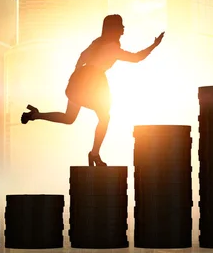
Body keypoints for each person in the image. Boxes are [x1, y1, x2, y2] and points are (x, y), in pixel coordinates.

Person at [21, 14, 165, 166]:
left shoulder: (97, 43)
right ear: (114, 29)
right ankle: (94, 154)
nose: (124, 28)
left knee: (69, 118)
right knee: (104, 117)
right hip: (92, 82)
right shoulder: (112, 48)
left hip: (79, 81)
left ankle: (35, 115)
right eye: (121, 25)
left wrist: (77, 75)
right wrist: (154, 45)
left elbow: (82, 56)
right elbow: (136, 58)